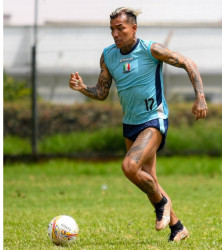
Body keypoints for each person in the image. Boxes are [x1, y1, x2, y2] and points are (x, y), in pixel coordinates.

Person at [69, 7, 208, 242]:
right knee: (147, 178)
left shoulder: (150, 50)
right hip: (130, 123)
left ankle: (162, 204)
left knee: (130, 167)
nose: (115, 33)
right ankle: (177, 228)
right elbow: (103, 92)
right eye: (112, 29)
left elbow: (188, 63)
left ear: (134, 28)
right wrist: (82, 88)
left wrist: (200, 97)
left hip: (154, 119)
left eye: (120, 28)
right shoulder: (108, 55)